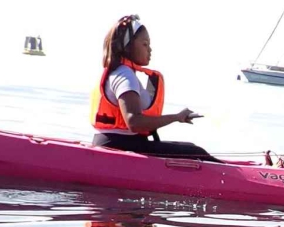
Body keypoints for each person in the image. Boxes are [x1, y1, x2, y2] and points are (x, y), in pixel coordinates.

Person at [91, 14, 216, 160]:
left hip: (114, 143)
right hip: (120, 146)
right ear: (128, 45)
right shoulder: (125, 75)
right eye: (145, 44)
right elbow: (134, 122)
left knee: (191, 148)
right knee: (195, 153)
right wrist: (175, 117)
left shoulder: (120, 72)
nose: (149, 50)